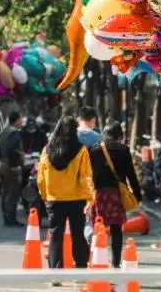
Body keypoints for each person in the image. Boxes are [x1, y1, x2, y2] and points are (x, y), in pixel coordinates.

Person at [37, 116, 94, 274]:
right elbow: (85, 177)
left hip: (54, 199)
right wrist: (90, 198)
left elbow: (41, 177)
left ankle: (56, 272)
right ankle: (81, 269)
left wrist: (44, 194)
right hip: (76, 200)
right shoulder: (81, 150)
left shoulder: (47, 150)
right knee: (78, 234)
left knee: (56, 235)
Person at [88, 121, 143, 268]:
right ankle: (116, 263)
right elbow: (131, 175)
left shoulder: (95, 150)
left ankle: (96, 259)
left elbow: (89, 175)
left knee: (97, 227)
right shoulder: (123, 150)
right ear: (120, 135)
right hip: (116, 195)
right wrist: (137, 195)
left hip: (99, 194)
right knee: (116, 229)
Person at [0, 111, 25, 226]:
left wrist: (3, 159)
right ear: (16, 120)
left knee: (5, 192)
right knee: (13, 193)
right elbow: (12, 150)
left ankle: (7, 217)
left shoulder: (5, 132)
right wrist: (15, 162)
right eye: (20, 119)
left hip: (4, 165)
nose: (21, 122)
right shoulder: (14, 134)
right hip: (11, 167)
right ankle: (10, 219)